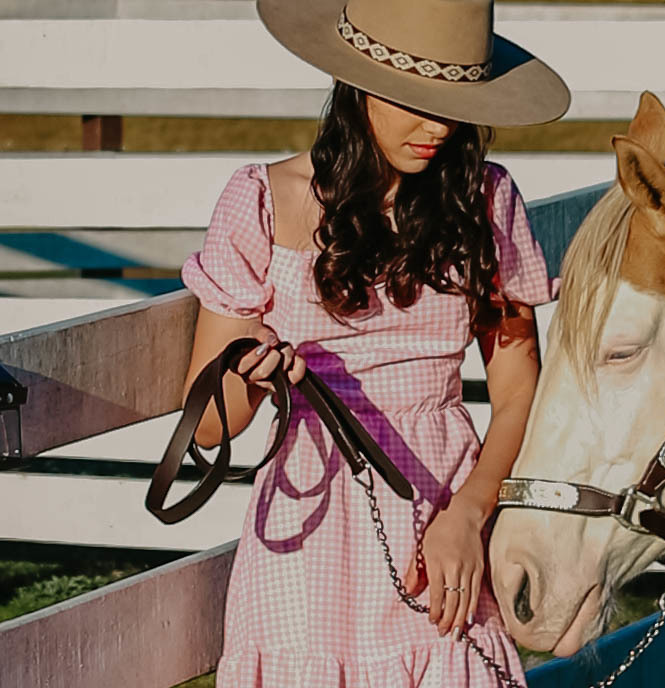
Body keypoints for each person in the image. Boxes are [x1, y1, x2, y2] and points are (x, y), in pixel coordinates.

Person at [179, 0, 569, 684]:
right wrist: (254, 373)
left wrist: (469, 513)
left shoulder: (484, 198)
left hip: (447, 507)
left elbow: (518, 392)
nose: (438, 127)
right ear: (357, 83)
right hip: (312, 521)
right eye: (416, 101)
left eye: (454, 104)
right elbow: (210, 426)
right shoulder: (264, 200)